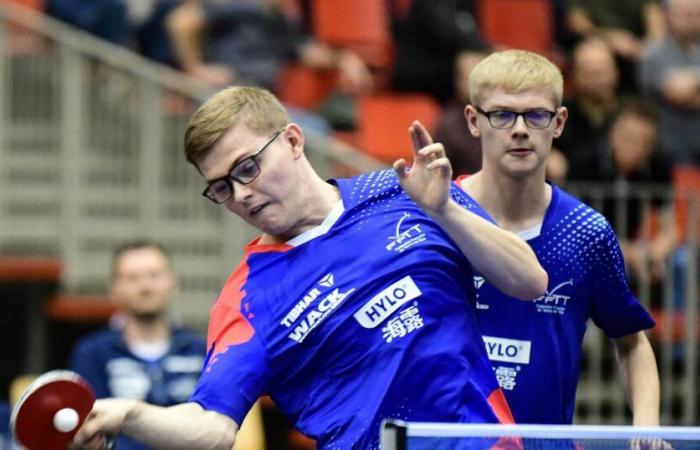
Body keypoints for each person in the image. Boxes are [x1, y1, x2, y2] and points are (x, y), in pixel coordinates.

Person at [70, 86, 548, 450]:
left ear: (294, 140)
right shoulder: (248, 300)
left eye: (247, 169)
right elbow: (213, 426)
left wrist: (446, 210)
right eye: (220, 188)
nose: (240, 196)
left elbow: (529, 281)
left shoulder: (408, 191)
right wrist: (131, 414)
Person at [455, 50, 661, 425]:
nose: (520, 129)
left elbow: (632, 343)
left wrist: (645, 427)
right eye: (501, 114)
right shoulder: (436, 216)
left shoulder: (586, 233)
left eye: (536, 115)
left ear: (559, 122)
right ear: (473, 120)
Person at [68, 240, 264, 450]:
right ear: (114, 287)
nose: (146, 287)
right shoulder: (91, 352)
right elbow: (91, 428)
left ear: (172, 281)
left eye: (154, 275)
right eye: (133, 278)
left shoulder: (205, 348)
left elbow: (221, 424)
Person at [639, 0, 700, 168]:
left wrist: (691, 80)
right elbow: (677, 94)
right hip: (668, 150)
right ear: (668, 16)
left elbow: (687, 91)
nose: (693, 19)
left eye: (697, 14)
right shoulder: (653, 54)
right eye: (686, 14)